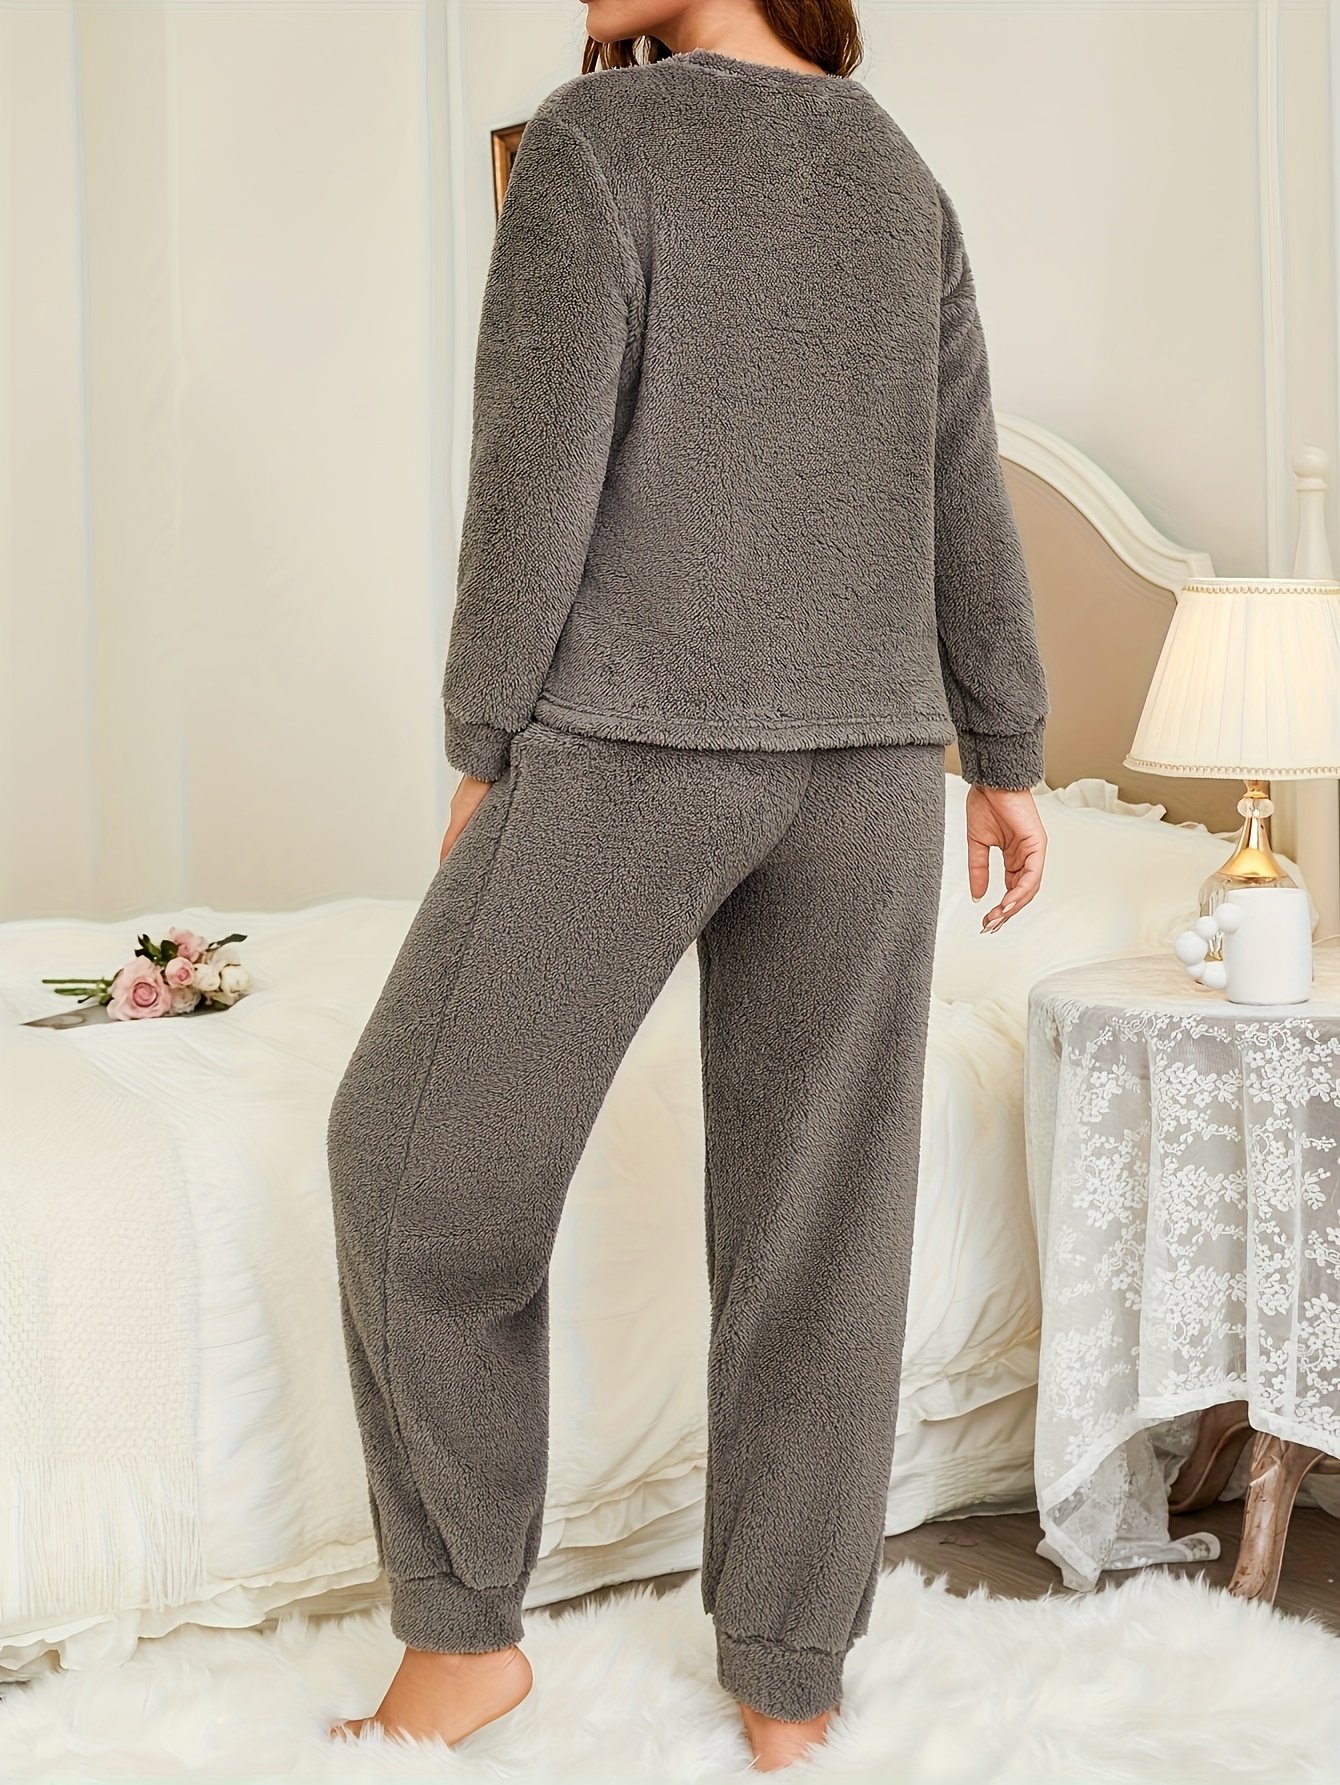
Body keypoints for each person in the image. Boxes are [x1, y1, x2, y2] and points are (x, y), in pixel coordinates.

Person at [326, 0, 1049, 1769]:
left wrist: (484, 730)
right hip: (871, 768)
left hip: (637, 745)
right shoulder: (900, 178)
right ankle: (791, 1679)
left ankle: (462, 1637)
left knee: (411, 1168)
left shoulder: (597, 145)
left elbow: (535, 474)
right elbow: (963, 483)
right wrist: (1007, 750)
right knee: (823, 1228)